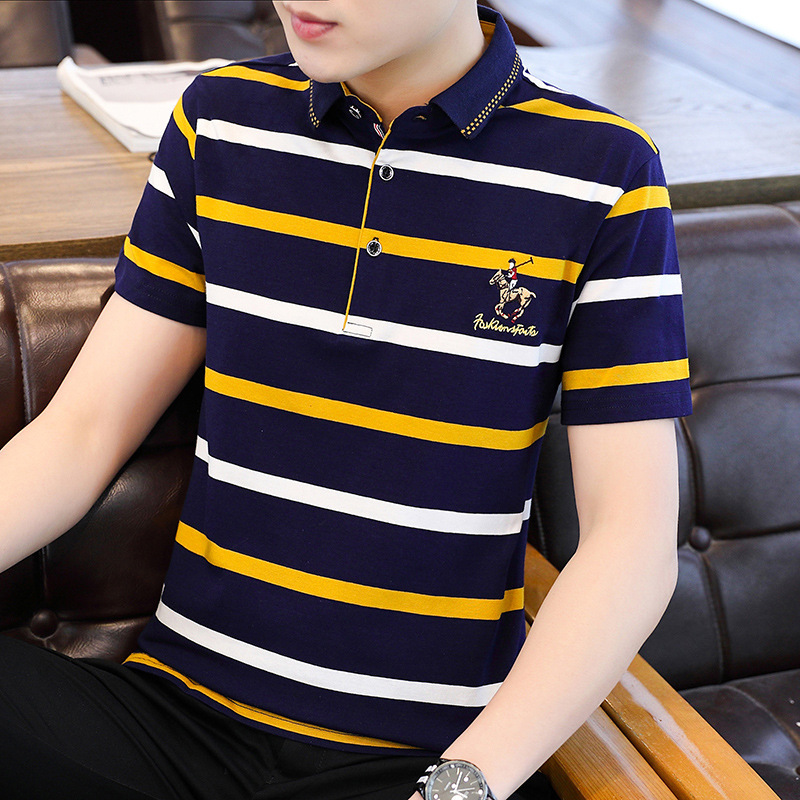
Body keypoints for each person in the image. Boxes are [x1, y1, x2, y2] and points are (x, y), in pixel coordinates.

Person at [0, 2, 692, 799]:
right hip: (172, 719)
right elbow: (82, 433)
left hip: (417, 760)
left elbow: (630, 543)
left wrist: (460, 786)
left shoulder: (603, 171)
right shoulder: (219, 121)